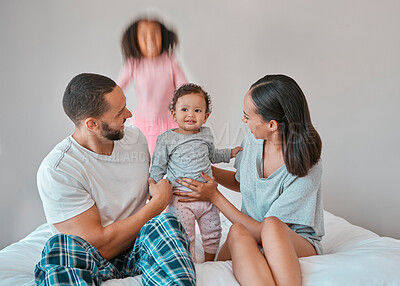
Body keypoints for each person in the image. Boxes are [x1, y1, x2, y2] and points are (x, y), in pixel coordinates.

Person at [34, 73, 196, 286]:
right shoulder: (59, 170)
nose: (129, 114)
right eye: (120, 113)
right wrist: (157, 204)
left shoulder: (135, 139)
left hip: (140, 245)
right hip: (92, 257)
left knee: (167, 224)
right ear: (92, 124)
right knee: (59, 248)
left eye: (126, 106)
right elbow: (100, 246)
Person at [174, 75, 324, 286]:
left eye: (247, 115)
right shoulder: (253, 142)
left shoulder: (306, 166)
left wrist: (215, 196)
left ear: (272, 124)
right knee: (236, 231)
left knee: (271, 226)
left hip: (292, 240)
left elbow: (265, 231)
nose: (243, 120)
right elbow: (240, 182)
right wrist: (204, 169)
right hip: (249, 231)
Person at [150, 83, 242, 262]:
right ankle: (189, 263)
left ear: (206, 116)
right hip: (181, 198)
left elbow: (212, 155)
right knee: (185, 234)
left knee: (213, 231)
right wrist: (153, 190)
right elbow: (158, 166)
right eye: (185, 109)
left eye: (198, 111)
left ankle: (209, 261)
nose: (191, 114)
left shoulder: (206, 134)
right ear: (174, 114)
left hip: (207, 196)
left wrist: (229, 153)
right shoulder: (167, 138)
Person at [118, 17, 187, 155]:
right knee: (144, 159)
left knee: (177, 157)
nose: (150, 39)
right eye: (144, 35)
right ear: (135, 40)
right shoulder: (134, 63)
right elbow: (118, 88)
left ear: (163, 36)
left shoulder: (170, 61)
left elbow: (185, 89)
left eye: (155, 34)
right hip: (143, 124)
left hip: (170, 122)